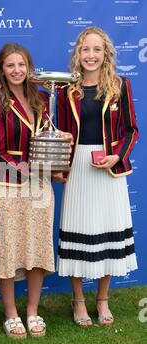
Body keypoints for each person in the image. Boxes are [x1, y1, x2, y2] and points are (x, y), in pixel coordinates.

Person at [56, 27, 139, 327]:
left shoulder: (120, 85)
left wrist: (117, 155)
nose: (90, 55)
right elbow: (64, 133)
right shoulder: (67, 91)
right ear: (78, 54)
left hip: (109, 169)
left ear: (106, 54)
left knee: (107, 231)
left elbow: (131, 130)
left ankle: (102, 299)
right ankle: (78, 301)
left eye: (96, 50)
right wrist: (61, 155)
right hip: (78, 167)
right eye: (85, 50)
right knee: (78, 228)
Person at [0, 43, 57, 339]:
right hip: (8, 184)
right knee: (9, 248)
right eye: (10, 65)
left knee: (38, 246)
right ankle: (11, 313)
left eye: (21, 65)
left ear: (29, 68)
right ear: (2, 69)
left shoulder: (42, 98)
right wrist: (30, 168)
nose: (16, 70)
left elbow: (49, 140)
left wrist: (59, 143)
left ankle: (32, 310)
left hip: (41, 183)